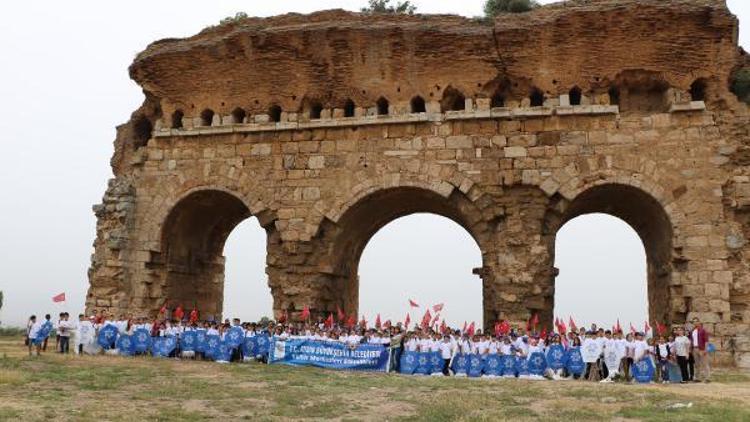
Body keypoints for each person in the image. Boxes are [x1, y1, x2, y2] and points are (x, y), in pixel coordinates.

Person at [690, 318, 711, 383]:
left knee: (704, 363)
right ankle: (697, 378)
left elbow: (706, 341)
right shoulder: (692, 331)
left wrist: (706, 349)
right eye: (694, 322)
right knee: (697, 364)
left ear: (699, 322)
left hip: (702, 349)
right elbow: (691, 341)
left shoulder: (703, 330)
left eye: (696, 321)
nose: (695, 323)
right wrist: (691, 349)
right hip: (695, 348)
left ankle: (707, 378)